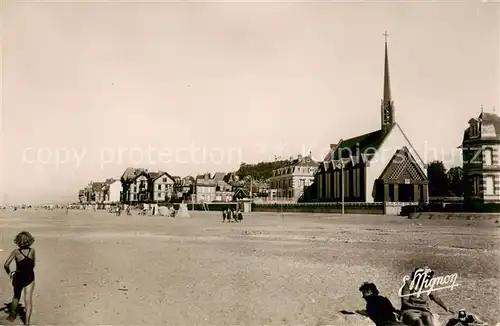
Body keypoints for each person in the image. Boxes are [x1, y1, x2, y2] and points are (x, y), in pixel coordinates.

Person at [3, 231, 36, 326]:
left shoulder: (16, 252)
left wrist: (9, 273)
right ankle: (27, 323)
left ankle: (12, 316)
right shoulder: (32, 251)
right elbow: (33, 264)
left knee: (16, 296)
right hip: (30, 276)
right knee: (28, 300)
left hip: (19, 276)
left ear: (18, 241)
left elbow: (6, 264)